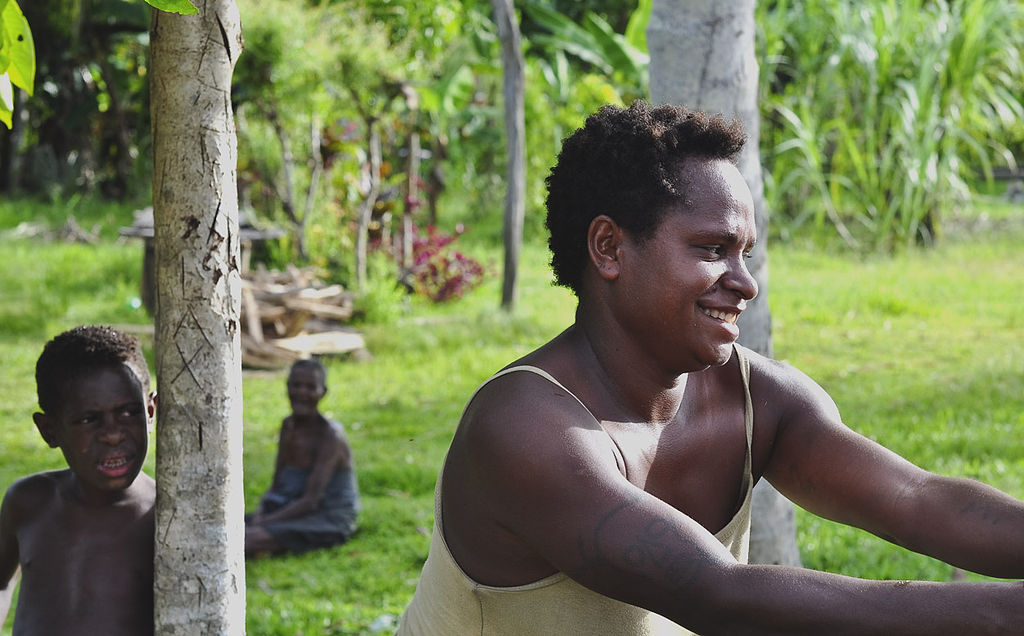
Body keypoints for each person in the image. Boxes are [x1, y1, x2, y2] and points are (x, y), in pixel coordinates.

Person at [397, 100, 1024, 635]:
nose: (744, 283)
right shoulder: (524, 428)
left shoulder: (758, 401)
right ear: (609, 248)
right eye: (711, 249)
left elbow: (915, 500)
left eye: (744, 252)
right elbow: (718, 597)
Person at [0, 325, 157, 635]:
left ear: (150, 411)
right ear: (49, 431)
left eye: (127, 413)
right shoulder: (28, 502)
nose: (112, 434)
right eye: (89, 419)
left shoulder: (163, 517)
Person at [245, 358, 360, 557]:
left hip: (325, 517)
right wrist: (262, 512)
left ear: (322, 392)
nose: (302, 393)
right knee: (228, 527)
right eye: (296, 385)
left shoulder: (330, 435)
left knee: (247, 538)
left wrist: (264, 522)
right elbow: (277, 482)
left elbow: (310, 501)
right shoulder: (288, 426)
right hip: (290, 507)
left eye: (310, 387)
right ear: (287, 387)